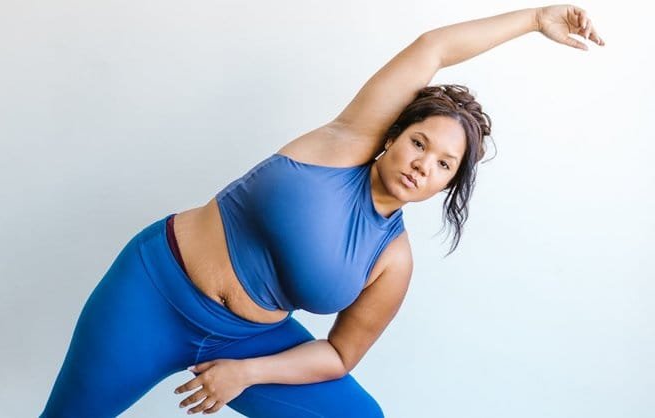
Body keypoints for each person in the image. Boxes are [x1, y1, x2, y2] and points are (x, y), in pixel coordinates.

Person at [40, 5, 603, 417]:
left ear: (445, 188)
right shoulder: (345, 143)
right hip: (154, 292)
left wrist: (247, 373)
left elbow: (337, 354)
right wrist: (534, 20)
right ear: (393, 135)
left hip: (246, 343)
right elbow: (432, 48)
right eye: (419, 144)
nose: (423, 165)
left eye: (443, 167)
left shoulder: (393, 261)